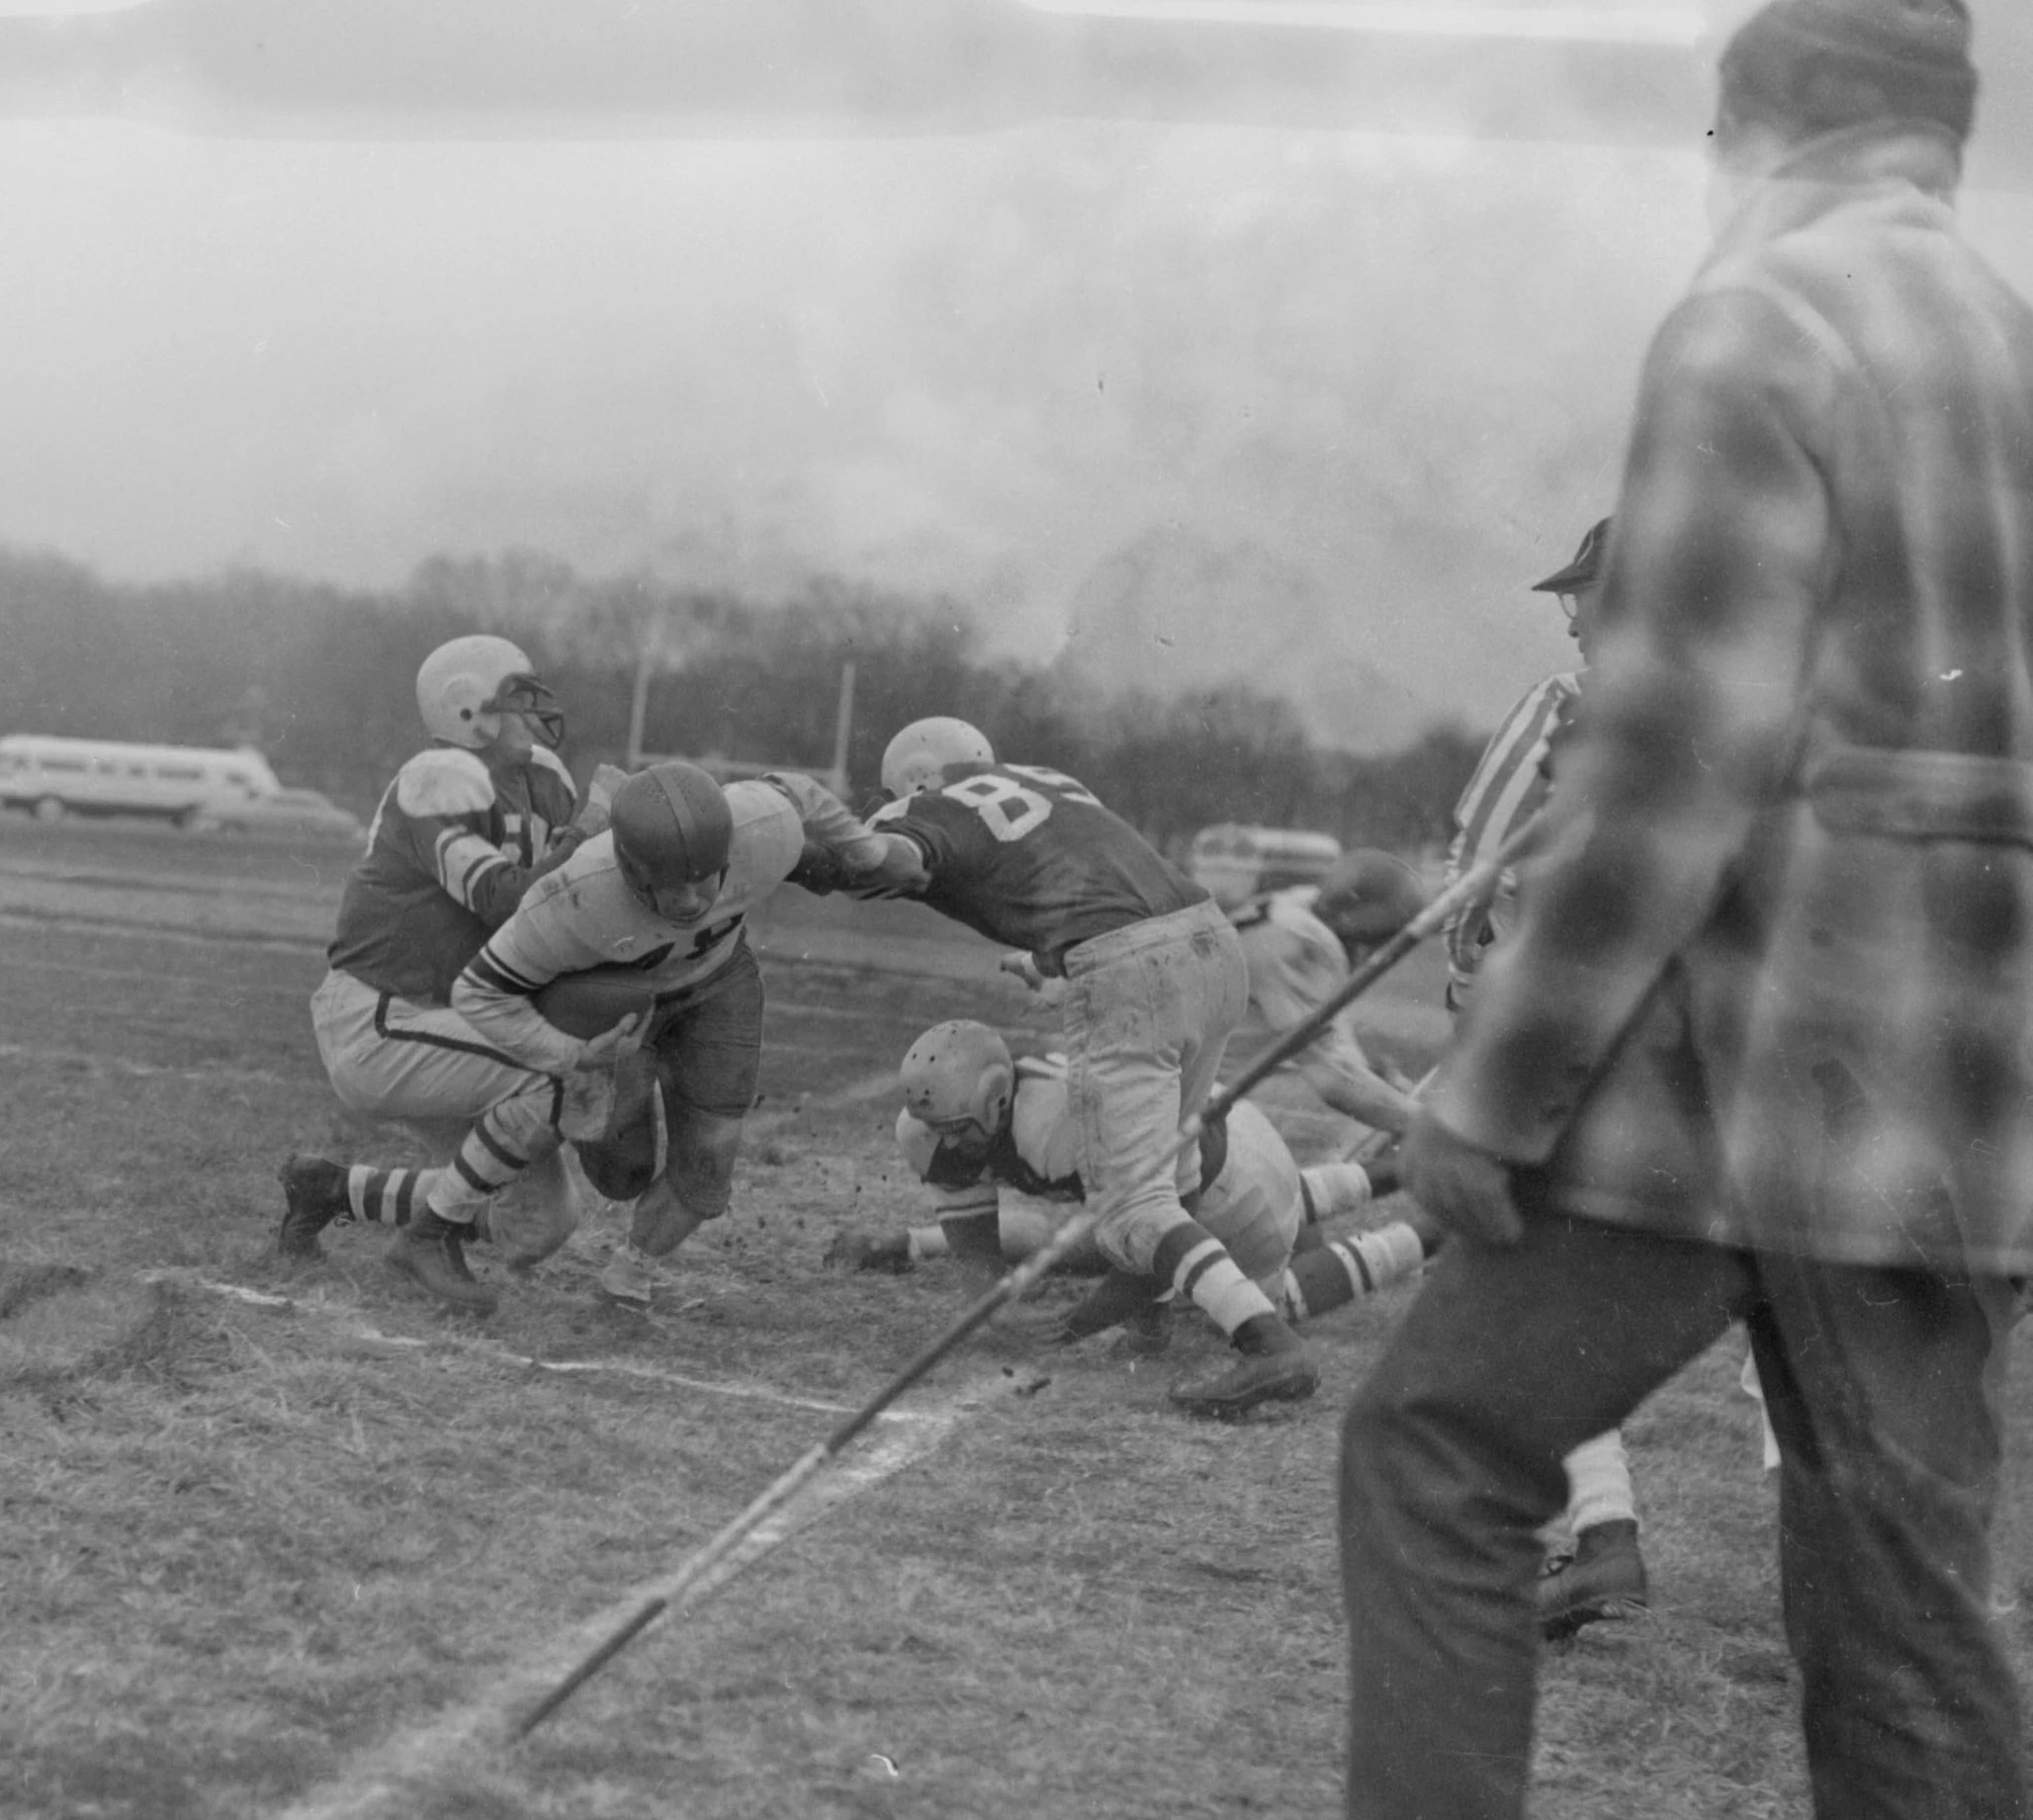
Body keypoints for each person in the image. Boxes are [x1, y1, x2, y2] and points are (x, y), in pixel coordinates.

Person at [1342, 7, 2033, 1817]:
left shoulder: (1762, 322)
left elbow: (1666, 774)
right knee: (1908, 1634)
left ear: (1757, 121)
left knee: (1436, 1450)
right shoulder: (2011, 342)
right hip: (1954, 1116)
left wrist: (1492, 1097)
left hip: (1728, 1083)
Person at [313, 758, 897, 1313]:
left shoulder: (761, 828)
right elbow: (479, 992)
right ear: (632, 870)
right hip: (620, 1005)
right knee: (621, 1173)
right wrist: (567, 1054)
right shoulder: (572, 897)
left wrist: (868, 851)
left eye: (706, 880)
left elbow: (802, 793)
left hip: (719, 982)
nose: (694, 899)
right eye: (674, 886)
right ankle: (378, 1206)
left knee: (708, 1163)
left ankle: (630, 1275)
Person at [861, 717, 1317, 1417]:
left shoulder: (935, 807)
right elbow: (1090, 883)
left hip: (1169, 1032)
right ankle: (1231, 1322)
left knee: (1135, 1209)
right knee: (1169, 1187)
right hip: (1209, 941)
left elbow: (904, 860)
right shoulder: (1049, 785)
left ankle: (1268, 1344)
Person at [1444, 521, 1652, 1640]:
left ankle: (1602, 1534)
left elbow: (1472, 862)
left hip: (1564, 1037)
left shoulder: (1567, 707)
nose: (1573, 615)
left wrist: (1466, 968)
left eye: (1589, 595)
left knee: (1526, 1287)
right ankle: (1602, 1535)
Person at [278, 633, 605, 1304]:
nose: (535, 710)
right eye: (517, 697)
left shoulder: (543, 779)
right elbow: (503, 900)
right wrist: (585, 837)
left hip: (450, 1015)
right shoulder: (437, 779)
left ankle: (329, 1188)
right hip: (384, 1013)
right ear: (467, 709)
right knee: (554, 1076)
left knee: (540, 1221)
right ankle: (427, 1236)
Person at [825, 1020, 1433, 1338]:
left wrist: (1075, 1326)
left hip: (1230, 1183)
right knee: (1085, 1241)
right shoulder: (936, 1127)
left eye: (958, 1126)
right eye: (937, 1125)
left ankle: (1431, 1236)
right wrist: (988, 1305)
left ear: (995, 1099)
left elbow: (1151, 1256)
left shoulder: (1065, 1125)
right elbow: (978, 1246)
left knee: (1261, 1302)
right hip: (1220, 1129)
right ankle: (1404, 1168)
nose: (946, 1142)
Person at [1217, 853, 1423, 1162]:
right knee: (1361, 1135)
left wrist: (1382, 1082)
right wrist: (1427, 1125)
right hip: (1202, 1091)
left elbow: (1336, 1047)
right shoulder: (1299, 941)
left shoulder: (1297, 909)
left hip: (1207, 1074)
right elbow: (1333, 1081)